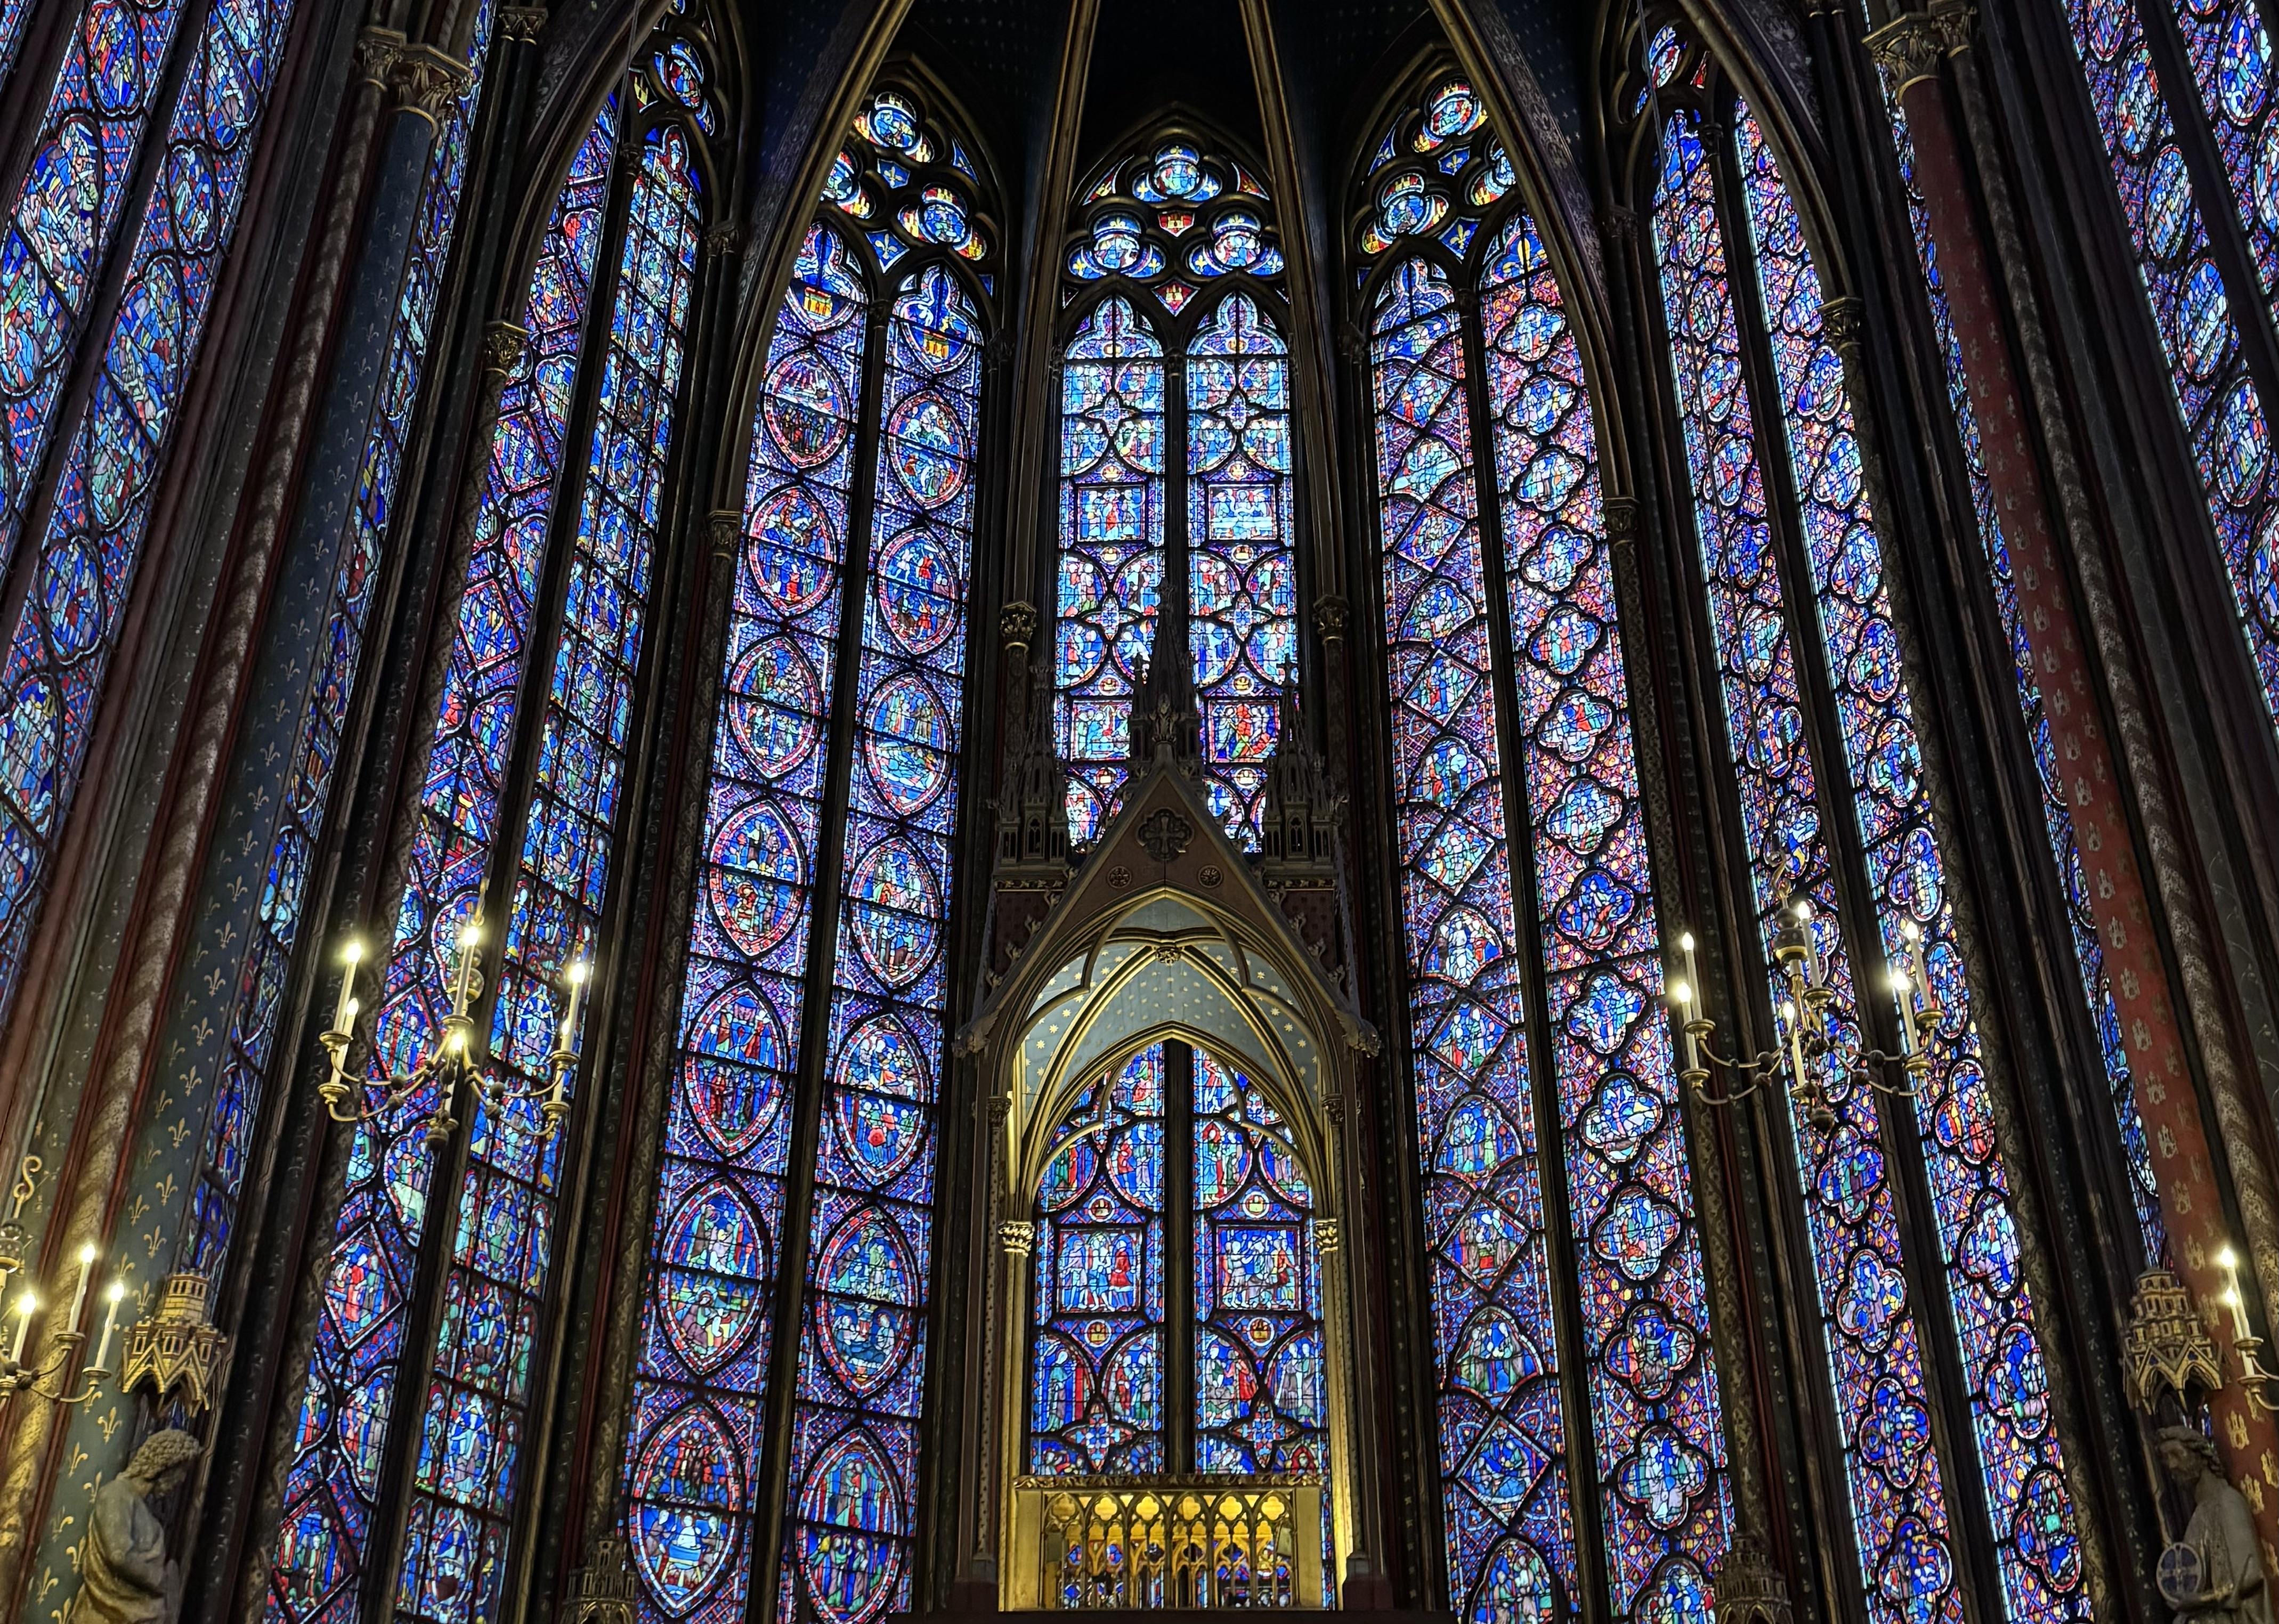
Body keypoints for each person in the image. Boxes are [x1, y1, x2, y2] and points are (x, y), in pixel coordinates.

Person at [78, 1430, 202, 1624]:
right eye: (182, 1471)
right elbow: (119, 1556)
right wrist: (161, 1581)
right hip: (113, 1615)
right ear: (164, 1465)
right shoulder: (117, 1495)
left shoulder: (147, 1514)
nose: (182, 1480)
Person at [2158, 1426, 2275, 1624]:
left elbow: (2251, 1575)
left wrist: (2202, 1600)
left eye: (2177, 1454)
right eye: (2167, 1459)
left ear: (2202, 1456)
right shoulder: (2198, 1517)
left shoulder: (2228, 1501)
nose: (2172, 1465)